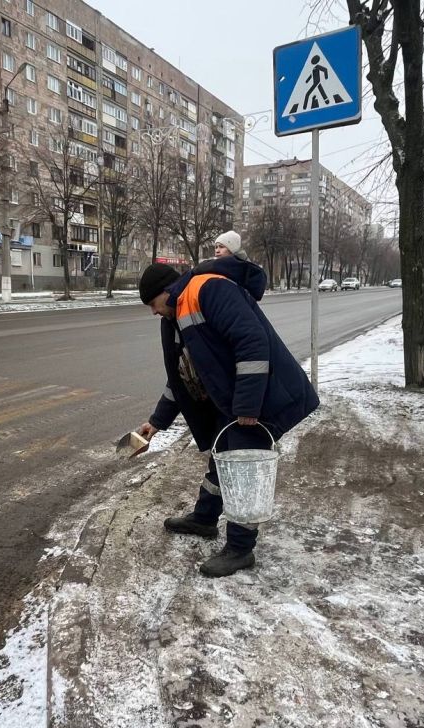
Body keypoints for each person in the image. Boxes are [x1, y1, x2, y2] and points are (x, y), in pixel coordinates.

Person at [136, 235, 319, 577]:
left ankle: (240, 548)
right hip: (232, 401)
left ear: (167, 290)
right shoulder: (174, 318)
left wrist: (248, 406)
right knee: (222, 463)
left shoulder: (209, 289)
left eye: (153, 302)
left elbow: (252, 342)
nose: (153, 310)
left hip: (258, 398)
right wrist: (155, 423)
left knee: (245, 469)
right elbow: (182, 379)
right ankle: (205, 519)